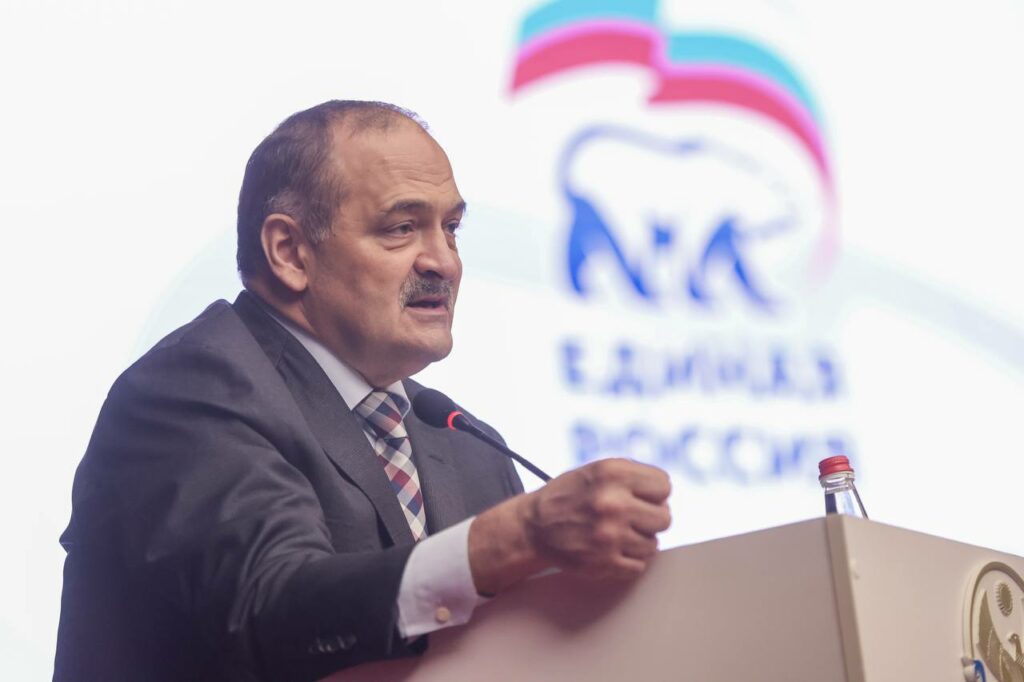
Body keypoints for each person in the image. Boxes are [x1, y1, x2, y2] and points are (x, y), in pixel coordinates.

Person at [54, 100, 672, 681]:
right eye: (402, 228)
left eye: (451, 228)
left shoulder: (468, 447)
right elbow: (270, 610)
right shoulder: (192, 390)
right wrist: (516, 537)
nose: (444, 262)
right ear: (290, 252)